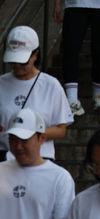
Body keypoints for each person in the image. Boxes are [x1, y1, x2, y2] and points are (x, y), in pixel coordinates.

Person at [0, 25, 72, 161]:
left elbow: (61, 129)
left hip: (40, 157)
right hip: (5, 157)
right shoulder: (1, 84)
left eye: (23, 62)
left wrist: (28, 134)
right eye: (13, 61)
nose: (17, 66)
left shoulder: (51, 85)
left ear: (35, 54)